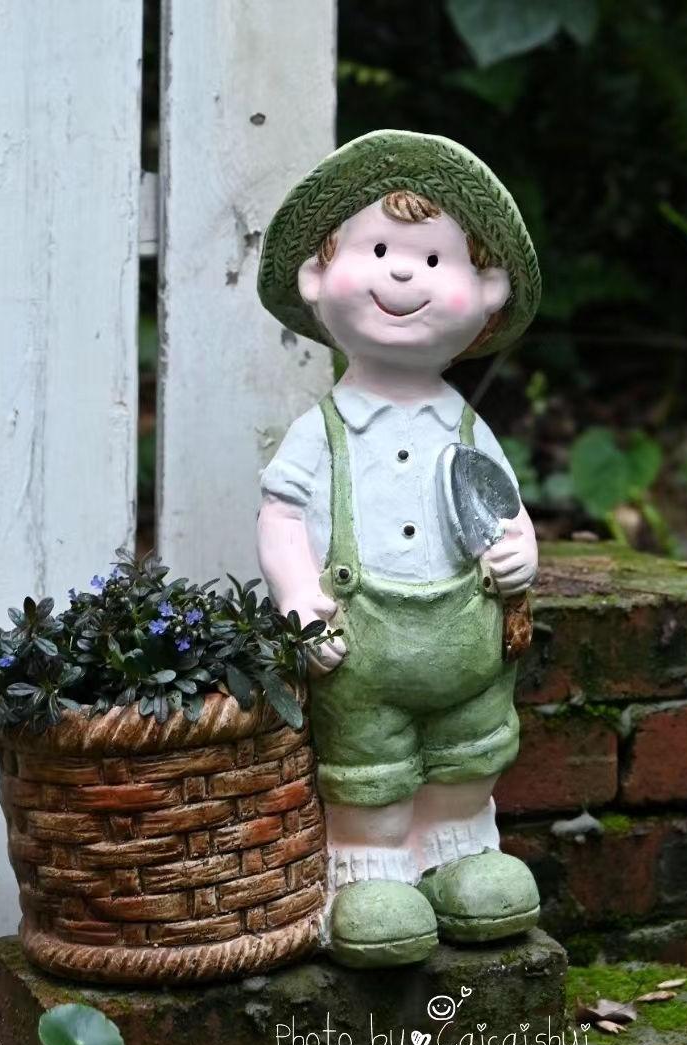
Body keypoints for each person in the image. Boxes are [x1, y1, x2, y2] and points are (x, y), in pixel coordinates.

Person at [256, 130, 541, 968]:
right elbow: (280, 516)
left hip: (466, 644)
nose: (402, 272)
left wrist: (521, 549)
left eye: (433, 258)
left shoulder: (467, 425)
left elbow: (503, 508)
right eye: (378, 249)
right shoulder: (324, 433)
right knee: (365, 765)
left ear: (486, 292)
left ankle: (460, 854)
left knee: (470, 749)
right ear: (319, 276)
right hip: (362, 649)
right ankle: (371, 873)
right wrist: (301, 598)